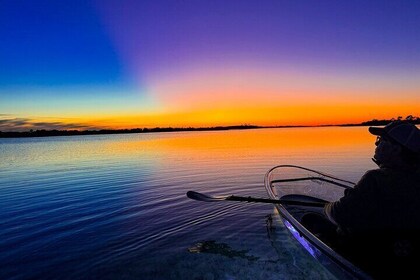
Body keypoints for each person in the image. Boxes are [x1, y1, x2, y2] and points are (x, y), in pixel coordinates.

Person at [302, 121, 420, 278]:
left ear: (396, 149)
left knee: (309, 219)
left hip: (370, 256)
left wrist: (327, 207)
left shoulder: (375, 179)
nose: (376, 144)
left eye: (380, 140)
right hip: (407, 255)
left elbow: (340, 215)